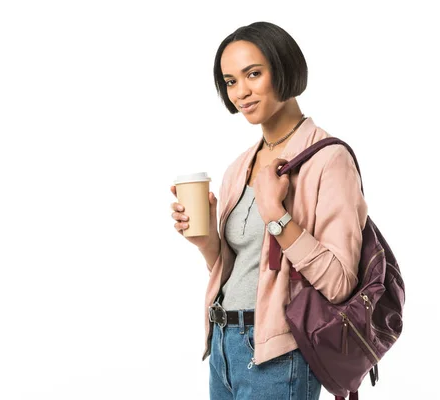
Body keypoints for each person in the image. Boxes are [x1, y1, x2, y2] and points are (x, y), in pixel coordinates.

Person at [170, 21, 368, 400]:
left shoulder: (328, 160)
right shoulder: (239, 166)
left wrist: (276, 214)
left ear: (284, 68)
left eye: (253, 74)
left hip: (280, 356)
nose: (241, 92)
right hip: (224, 345)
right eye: (230, 81)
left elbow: (341, 282)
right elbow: (241, 270)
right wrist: (205, 240)